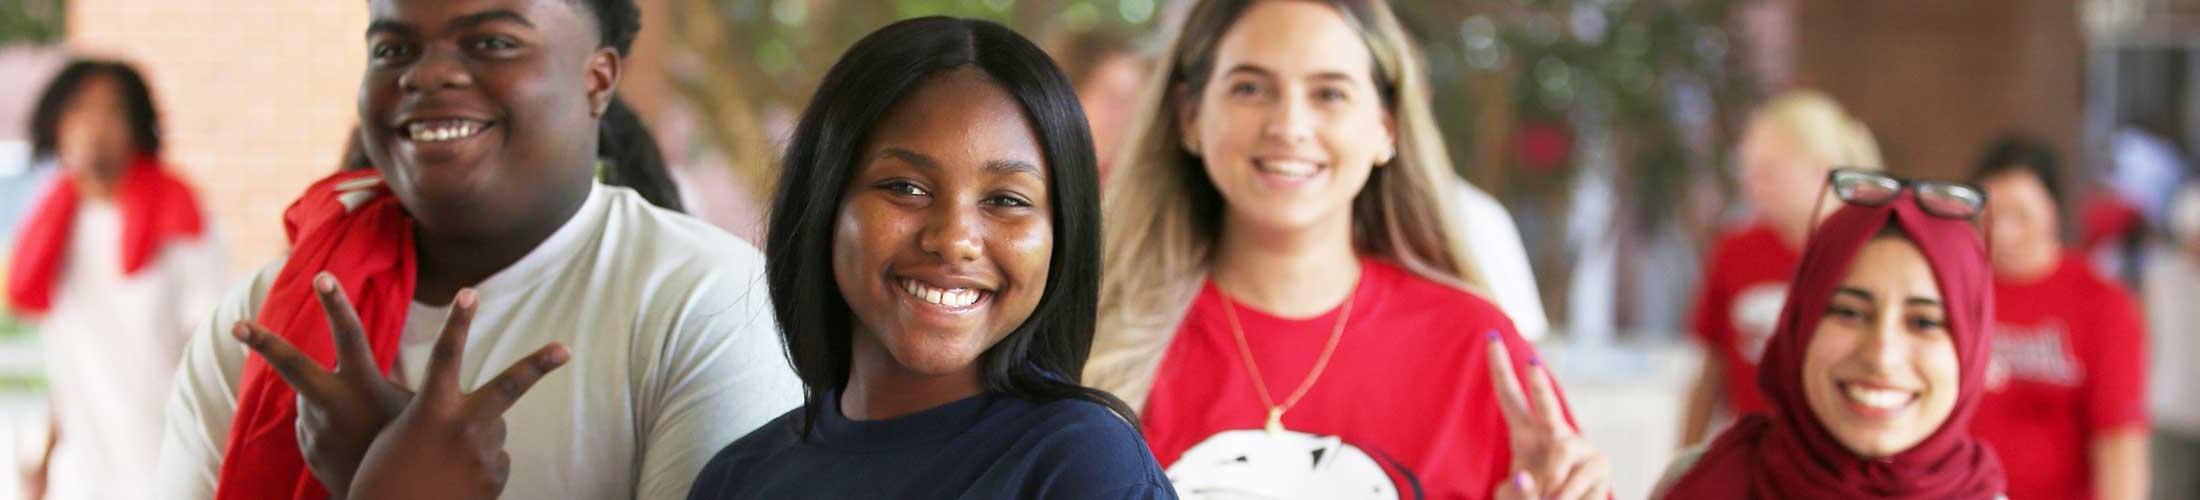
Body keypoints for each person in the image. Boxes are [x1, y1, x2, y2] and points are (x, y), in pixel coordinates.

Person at [151, 0, 802, 498]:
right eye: (392, 48)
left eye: (493, 42)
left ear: (598, 79)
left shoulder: (709, 303)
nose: (425, 74)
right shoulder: (271, 317)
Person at [1085, 1, 1608, 498]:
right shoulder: (1093, 337)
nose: (1288, 126)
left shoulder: (1475, 349)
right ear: (1190, 116)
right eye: (1249, 88)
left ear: (1386, 125)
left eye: (1329, 94)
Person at [675, 17, 1174, 499]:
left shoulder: (1084, 466)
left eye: (1006, 200)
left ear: (1062, 234)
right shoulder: (739, 477)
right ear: (824, 201)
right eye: (906, 188)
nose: (955, 239)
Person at [1658, 169, 2005, 499]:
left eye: (1924, 322)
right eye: (1849, 312)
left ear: (1971, 350)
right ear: (1800, 325)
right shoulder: (1700, 483)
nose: (1881, 356)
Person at [6, 59, 226, 500]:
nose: (95, 127)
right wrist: (45, 459)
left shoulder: (180, 220)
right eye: (81, 110)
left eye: (111, 111)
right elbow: (74, 366)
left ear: (137, 126)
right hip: (84, 477)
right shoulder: (54, 225)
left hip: (171, 470)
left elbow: (216, 355)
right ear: (57, 123)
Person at [1681, 90, 1882, 447]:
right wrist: (1684, 461)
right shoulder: (1738, 248)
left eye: (1768, 171)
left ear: (1821, 170)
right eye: (1748, 170)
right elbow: (1712, 368)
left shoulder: (1874, 251)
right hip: (1755, 458)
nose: (1752, 184)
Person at [1965, 136, 2151, 500]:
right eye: (1990, 214)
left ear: (2053, 211)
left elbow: (2119, 440)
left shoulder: (2102, 303)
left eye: (2020, 214)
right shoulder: (1953, 290)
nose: (2002, 230)